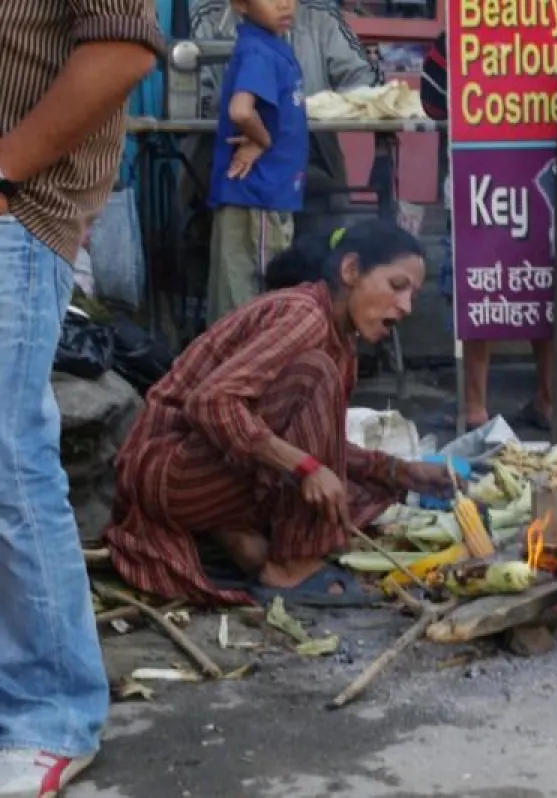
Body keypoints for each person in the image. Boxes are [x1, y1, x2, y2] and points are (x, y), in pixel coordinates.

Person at [103, 220, 453, 607]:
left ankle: (234, 534)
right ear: (351, 271)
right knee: (315, 383)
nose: (406, 307)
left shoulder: (344, 346)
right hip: (166, 472)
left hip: (205, 470)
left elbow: (323, 443)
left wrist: (399, 471)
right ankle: (289, 566)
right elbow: (211, 402)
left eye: (414, 295)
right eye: (397, 286)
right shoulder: (305, 315)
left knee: (353, 492)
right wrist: (303, 467)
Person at [0, 3, 163, 794]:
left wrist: (6, 169)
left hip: (15, 210)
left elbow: (124, 46)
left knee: (7, 458)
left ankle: (51, 713)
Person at [421, 30, 552, 431]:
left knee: (477, 287)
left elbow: (432, 102)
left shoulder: (464, 29)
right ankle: (548, 399)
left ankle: (475, 407)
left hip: (476, 179)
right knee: (541, 285)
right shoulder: (552, 26)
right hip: (543, 176)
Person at [189, 0, 382, 237]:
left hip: (312, 159)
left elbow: (367, 86)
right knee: (252, 263)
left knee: (317, 254)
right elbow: (201, 100)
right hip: (243, 168)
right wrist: (262, 129)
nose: (284, 5)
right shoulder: (213, 22)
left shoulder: (322, 19)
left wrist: (329, 104)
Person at [206, 0, 308, 326]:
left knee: (242, 300)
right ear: (240, 5)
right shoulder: (258, 52)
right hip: (258, 200)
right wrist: (261, 140)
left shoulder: (270, 46)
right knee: (256, 305)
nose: (284, 4)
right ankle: (245, 371)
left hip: (262, 197)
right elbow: (241, 110)